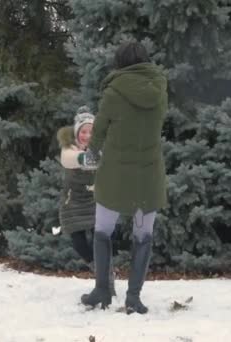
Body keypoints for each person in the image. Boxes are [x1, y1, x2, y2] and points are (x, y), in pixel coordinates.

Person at [79, 41, 168, 314]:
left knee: (103, 231)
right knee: (143, 236)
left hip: (115, 174)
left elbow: (101, 129)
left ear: (120, 62)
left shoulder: (114, 91)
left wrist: (91, 155)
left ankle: (102, 291)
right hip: (148, 175)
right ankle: (134, 298)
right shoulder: (160, 89)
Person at [57, 107, 116, 296]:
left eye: (91, 131)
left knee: (102, 239)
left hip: (96, 201)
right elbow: (68, 159)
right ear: (77, 133)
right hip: (74, 201)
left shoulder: (102, 146)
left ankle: (107, 281)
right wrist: (87, 158)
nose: (87, 135)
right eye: (83, 131)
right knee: (79, 243)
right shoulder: (70, 148)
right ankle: (100, 271)